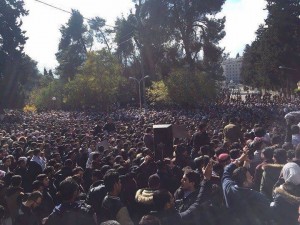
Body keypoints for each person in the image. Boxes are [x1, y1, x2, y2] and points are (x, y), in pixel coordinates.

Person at [222, 152, 273, 225]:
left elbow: (226, 171)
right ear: (244, 183)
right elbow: (268, 207)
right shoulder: (256, 196)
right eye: (249, 177)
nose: (252, 177)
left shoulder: (228, 186)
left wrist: (240, 161)